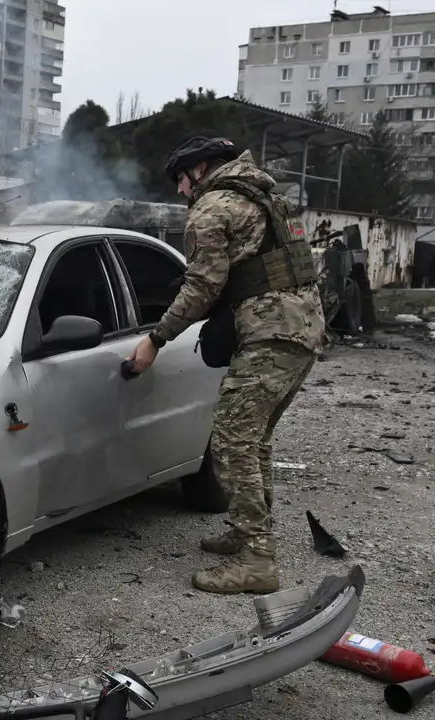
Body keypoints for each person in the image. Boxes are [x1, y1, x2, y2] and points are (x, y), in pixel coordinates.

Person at [124, 135, 326, 595]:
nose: (179, 191)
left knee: (232, 443)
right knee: (253, 441)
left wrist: (156, 339)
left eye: (180, 179)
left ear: (202, 169)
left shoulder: (213, 207)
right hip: (303, 330)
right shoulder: (266, 197)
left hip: (270, 334)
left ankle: (258, 560)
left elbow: (202, 287)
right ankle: (244, 532)